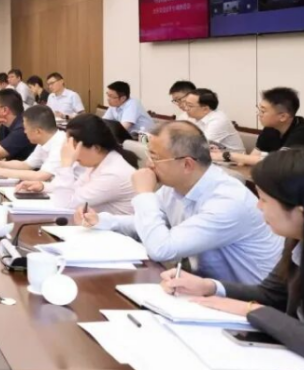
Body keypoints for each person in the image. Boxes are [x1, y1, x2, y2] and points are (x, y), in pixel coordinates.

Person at [75, 121, 283, 284]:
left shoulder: (227, 201)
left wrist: (144, 194)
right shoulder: (175, 186)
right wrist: (104, 221)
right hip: (203, 288)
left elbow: (161, 248)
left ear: (187, 164)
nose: (148, 164)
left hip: (250, 302)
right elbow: (153, 223)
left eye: (155, 157)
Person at [159, 149, 304, 357]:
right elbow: (271, 294)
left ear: (300, 212)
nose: (258, 206)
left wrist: (251, 310)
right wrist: (208, 286)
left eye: (264, 200)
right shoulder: (295, 239)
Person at [18, 114, 138, 215]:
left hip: (115, 234)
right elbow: (75, 189)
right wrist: (43, 187)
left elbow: (64, 205)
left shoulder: (112, 174)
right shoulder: (99, 162)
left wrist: (66, 165)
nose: (72, 153)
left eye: (74, 146)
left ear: (96, 148)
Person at [213, 87, 304, 167]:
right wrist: (226, 157)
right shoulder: (270, 128)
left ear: (283, 117)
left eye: (263, 111)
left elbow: (281, 162)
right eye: (259, 110)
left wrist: (229, 155)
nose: (259, 114)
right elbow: (253, 157)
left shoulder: (300, 131)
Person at [0, 105, 66, 181]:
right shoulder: (45, 140)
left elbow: (41, 176)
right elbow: (26, 165)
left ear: (38, 131)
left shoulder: (61, 143)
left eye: (25, 128)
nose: (24, 132)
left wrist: (0, 171)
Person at [181, 88, 245, 153]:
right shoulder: (190, 115)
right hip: (207, 154)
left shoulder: (218, 120)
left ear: (205, 109)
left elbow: (200, 145)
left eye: (190, 106)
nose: (185, 108)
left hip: (231, 158)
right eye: (185, 104)